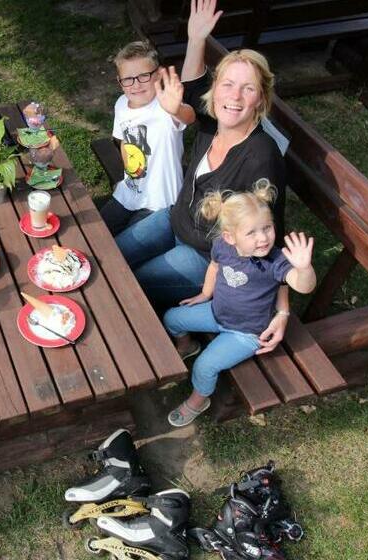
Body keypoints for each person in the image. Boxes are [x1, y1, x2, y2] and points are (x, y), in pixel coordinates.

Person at [114, 0, 291, 354]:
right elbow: (192, 89)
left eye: (248, 89)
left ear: (261, 99)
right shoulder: (214, 119)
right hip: (175, 220)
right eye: (227, 85)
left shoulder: (261, 156)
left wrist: (282, 309)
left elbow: (267, 236)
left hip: (205, 256)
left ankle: (163, 344)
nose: (235, 97)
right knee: (113, 255)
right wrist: (196, 39)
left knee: (128, 284)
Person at [162, 182, 316, 426]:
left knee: (204, 366)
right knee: (172, 317)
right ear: (229, 237)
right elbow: (214, 267)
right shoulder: (222, 247)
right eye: (252, 232)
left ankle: (198, 400)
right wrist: (205, 294)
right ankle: (187, 345)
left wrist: (304, 268)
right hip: (217, 312)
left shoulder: (275, 261)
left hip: (247, 333)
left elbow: (302, 285)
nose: (263, 238)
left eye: (267, 228)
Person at [99, 40, 196, 237]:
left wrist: (176, 108)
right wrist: (128, 177)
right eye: (128, 79)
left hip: (159, 204)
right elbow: (124, 141)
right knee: (96, 233)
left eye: (143, 76)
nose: (135, 85)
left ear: (158, 74)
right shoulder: (121, 104)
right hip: (129, 193)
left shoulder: (165, 108)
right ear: (119, 81)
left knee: (121, 248)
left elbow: (188, 116)